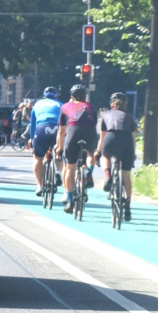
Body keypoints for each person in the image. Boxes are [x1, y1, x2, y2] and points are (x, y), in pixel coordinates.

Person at [94, 92, 138, 222]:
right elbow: (133, 138)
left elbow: (102, 139)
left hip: (110, 139)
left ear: (111, 104)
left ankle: (108, 177)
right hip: (126, 142)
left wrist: (98, 151)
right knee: (126, 176)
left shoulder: (106, 116)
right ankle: (128, 206)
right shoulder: (130, 117)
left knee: (105, 156)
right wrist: (133, 153)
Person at [56, 84, 98, 213]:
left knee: (70, 168)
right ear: (85, 96)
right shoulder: (91, 106)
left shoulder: (65, 107)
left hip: (73, 133)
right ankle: (89, 172)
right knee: (91, 153)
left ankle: (69, 201)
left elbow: (61, 131)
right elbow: (94, 124)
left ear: (72, 96)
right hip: (89, 131)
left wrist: (60, 147)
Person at [29, 87, 62, 196]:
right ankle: (58, 172)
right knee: (59, 152)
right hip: (57, 128)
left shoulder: (37, 104)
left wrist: (32, 139)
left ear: (44, 96)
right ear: (56, 96)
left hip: (42, 128)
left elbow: (32, 125)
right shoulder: (61, 104)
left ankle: (39, 186)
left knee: (38, 158)